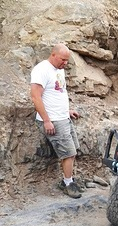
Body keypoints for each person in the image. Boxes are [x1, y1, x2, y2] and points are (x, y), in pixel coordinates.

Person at [30, 43, 83, 198]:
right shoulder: (41, 70)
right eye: (62, 59)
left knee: (72, 151)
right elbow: (35, 97)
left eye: (67, 60)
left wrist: (67, 111)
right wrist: (46, 120)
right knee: (68, 153)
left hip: (62, 117)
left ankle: (68, 180)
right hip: (53, 120)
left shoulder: (58, 70)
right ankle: (68, 184)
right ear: (53, 55)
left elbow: (56, 93)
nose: (65, 63)